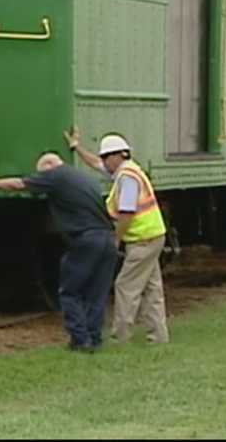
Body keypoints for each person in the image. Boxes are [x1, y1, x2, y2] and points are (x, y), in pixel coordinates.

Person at [0, 151, 118, 352]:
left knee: (69, 291)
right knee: (96, 293)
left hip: (85, 240)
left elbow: (18, 184)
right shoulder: (83, 177)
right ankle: (95, 338)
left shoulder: (55, 175)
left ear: (49, 167)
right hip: (107, 238)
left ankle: (80, 340)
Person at [66, 127, 169, 344]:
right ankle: (158, 336)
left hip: (142, 239)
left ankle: (120, 336)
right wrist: (77, 148)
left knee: (125, 286)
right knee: (152, 289)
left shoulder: (127, 178)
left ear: (118, 155)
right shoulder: (127, 171)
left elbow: (127, 212)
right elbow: (95, 164)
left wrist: (116, 238)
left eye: (106, 157)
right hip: (153, 236)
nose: (103, 161)